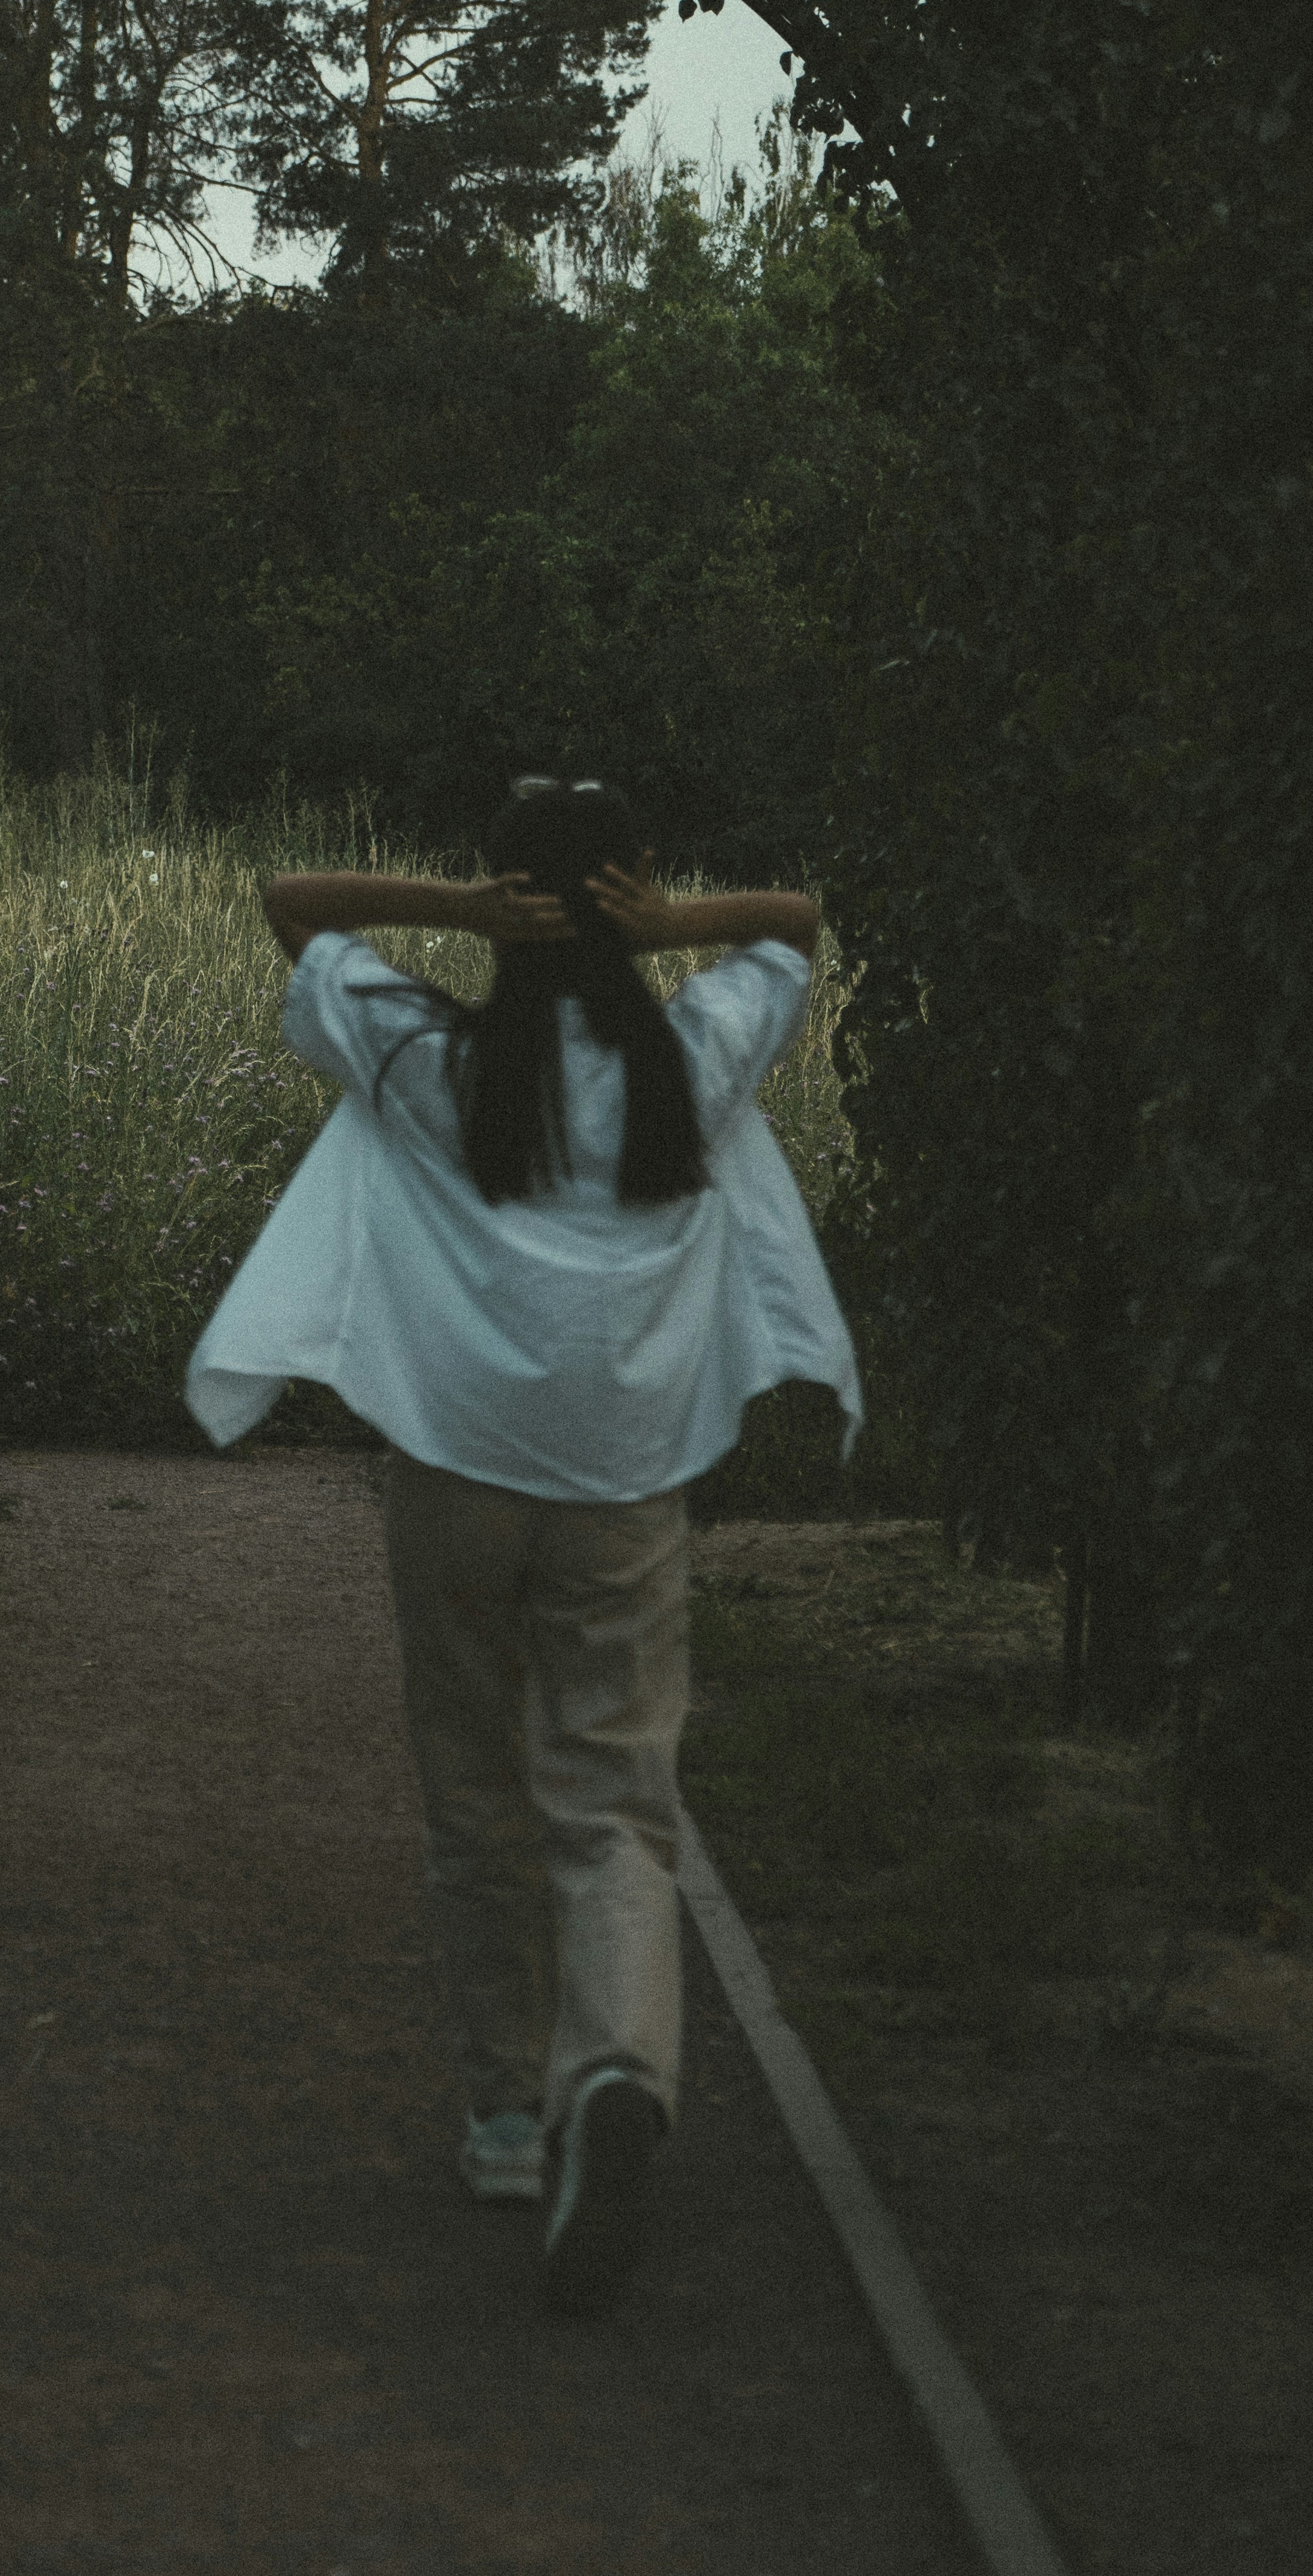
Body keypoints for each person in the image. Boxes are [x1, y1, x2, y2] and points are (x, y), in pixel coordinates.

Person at [185, 776, 860, 2320]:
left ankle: (504, 2115)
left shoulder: (432, 1060)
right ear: (628, 901)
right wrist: (680, 924)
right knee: (614, 1792)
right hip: (625, 1478)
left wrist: (455, 914)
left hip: (453, 1471)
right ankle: (613, 2068)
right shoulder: (692, 1056)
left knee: (471, 1783)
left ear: (507, 901)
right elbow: (802, 928)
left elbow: (289, 904)